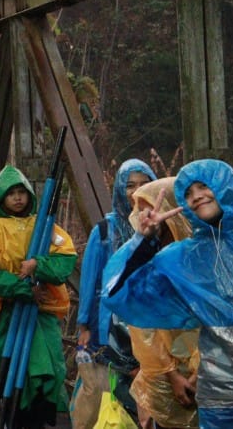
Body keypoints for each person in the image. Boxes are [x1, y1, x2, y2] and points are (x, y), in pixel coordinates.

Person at [103, 159, 233, 428]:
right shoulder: (187, 258)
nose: (196, 196)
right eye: (187, 193)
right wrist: (143, 240)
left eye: (203, 186)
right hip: (227, 400)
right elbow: (120, 292)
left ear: (225, 185)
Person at [0, 165, 77, 428]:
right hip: (8, 313)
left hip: (42, 312)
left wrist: (37, 265)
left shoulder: (44, 225)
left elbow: (65, 260)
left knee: (49, 367)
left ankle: (37, 417)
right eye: (11, 193)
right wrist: (24, 290)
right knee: (17, 372)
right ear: (0, 198)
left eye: (21, 192)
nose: (17, 198)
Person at [105, 177, 199, 429]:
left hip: (208, 377)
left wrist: (199, 373)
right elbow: (142, 330)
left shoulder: (201, 256)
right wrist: (171, 374)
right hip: (161, 377)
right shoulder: (143, 259)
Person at [74, 159, 156, 426]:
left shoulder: (162, 226)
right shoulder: (105, 231)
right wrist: (84, 325)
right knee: (114, 395)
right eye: (130, 185)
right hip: (108, 329)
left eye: (145, 184)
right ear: (121, 190)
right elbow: (90, 282)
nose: (137, 191)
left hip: (150, 327)